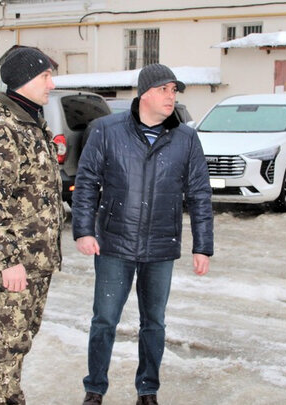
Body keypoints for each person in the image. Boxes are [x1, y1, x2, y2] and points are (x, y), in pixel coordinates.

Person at [71, 63, 214, 405]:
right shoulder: (107, 130)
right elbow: (87, 182)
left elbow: (199, 193)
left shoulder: (186, 138)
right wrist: (83, 230)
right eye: (164, 89)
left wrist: (203, 245)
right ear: (145, 93)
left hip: (161, 246)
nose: (171, 96)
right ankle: (94, 389)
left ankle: (147, 390)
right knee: (104, 320)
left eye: (174, 91)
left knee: (154, 323)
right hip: (114, 243)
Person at [0, 47, 63, 405]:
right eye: (45, 76)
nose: (51, 84)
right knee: (7, 347)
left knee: (21, 340)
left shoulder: (30, 121)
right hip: (15, 263)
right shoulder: (1, 129)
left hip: (35, 260)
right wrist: (8, 261)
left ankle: (10, 398)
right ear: (24, 80)